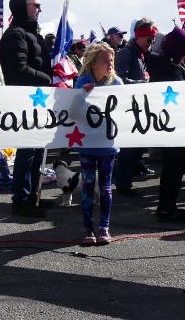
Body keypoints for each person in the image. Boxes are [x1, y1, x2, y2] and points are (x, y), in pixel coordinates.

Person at [0, 0, 51, 218]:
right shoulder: (15, 35)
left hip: (39, 97)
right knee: (27, 150)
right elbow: (18, 70)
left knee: (38, 148)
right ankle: (20, 199)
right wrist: (49, 79)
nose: (39, 9)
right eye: (35, 5)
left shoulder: (33, 34)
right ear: (22, 7)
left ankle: (32, 196)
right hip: (24, 98)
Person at [73, 42, 123, 245]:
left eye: (111, 60)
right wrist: (83, 94)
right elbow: (73, 111)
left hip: (107, 144)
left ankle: (104, 227)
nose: (109, 64)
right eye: (105, 60)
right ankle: (87, 228)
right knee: (87, 186)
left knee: (105, 186)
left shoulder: (117, 83)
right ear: (93, 63)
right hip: (86, 143)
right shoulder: (82, 81)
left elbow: (124, 111)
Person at [146, 27, 185, 222]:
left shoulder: (174, 63)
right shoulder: (168, 68)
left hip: (178, 127)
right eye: (184, 49)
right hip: (173, 127)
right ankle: (167, 207)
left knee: (175, 167)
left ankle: (168, 205)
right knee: (173, 167)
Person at [112, 18, 157, 196]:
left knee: (137, 147)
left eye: (153, 40)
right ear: (139, 37)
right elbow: (119, 79)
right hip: (128, 108)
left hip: (139, 107)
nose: (151, 43)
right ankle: (123, 184)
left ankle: (123, 178)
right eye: (149, 39)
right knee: (129, 149)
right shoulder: (126, 53)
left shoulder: (141, 54)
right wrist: (143, 84)